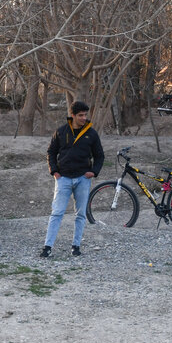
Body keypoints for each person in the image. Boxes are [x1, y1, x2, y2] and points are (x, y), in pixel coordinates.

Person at [40, 100, 104, 258]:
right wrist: (54, 171)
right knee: (57, 213)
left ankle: (76, 246)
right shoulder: (61, 132)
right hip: (63, 179)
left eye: (85, 115)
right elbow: (51, 152)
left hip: (83, 179)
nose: (84, 118)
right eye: (80, 115)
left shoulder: (91, 133)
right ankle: (47, 247)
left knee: (80, 214)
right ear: (73, 115)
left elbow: (100, 155)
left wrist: (94, 172)